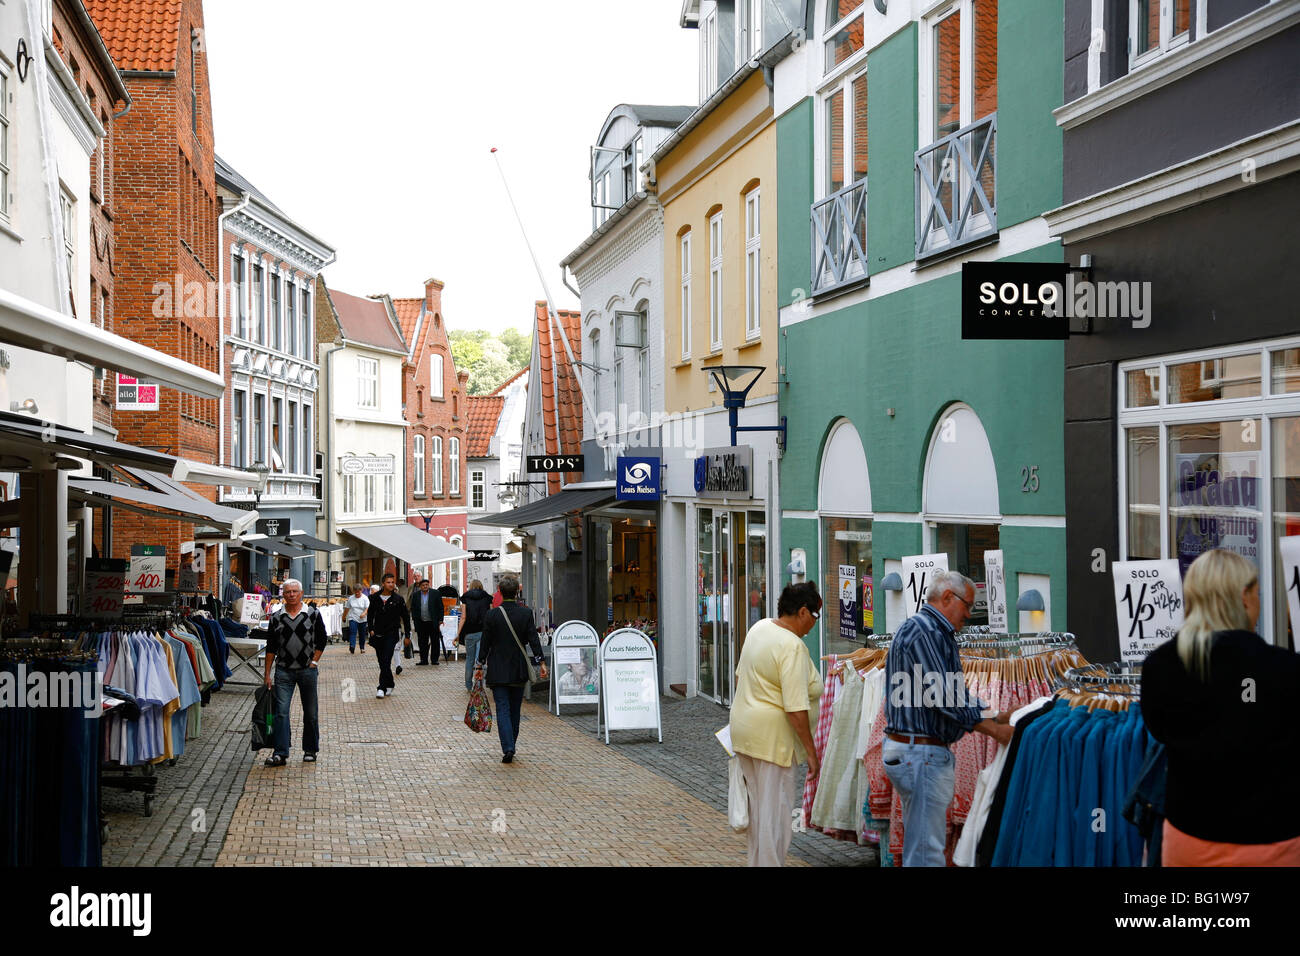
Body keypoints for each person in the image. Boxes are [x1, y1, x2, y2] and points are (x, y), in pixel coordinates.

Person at [1141, 549, 1300, 865]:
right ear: (1244, 597)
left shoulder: (1160, 666)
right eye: (1257, 593)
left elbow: (1160, 731)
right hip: (1271, 843)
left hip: (1189, 837)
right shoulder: (1285, 670)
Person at [882, 570, 1014, 866]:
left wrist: (993, 714)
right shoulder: (927, 631)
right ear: (946, 597)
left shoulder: (928, 630)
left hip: (915, 751)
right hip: (921, 753)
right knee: (927, 852)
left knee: (921, 845)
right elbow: (944, 697)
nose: (969, 614)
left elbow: (952, 693)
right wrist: (995, 731)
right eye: (967, 605)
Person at [729, 582, 824, 867]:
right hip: (774, 743)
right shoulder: (792, 646)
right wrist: (811, 751)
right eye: (816, 617)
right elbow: (795, 707)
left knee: (759, 815)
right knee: (776, 819)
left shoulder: (760, 628)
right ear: (803, 612)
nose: (814, 625)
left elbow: (740, 676)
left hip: (745, 732)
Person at [473, 574, 548, 763]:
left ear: (499, 591)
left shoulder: (492, 615)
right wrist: (541, 662)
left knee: (503, 709)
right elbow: (533, 639)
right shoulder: (525, 614)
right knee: (515, 709)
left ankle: (508, 747)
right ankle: (510, 745)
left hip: (498, 668)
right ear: (517, 592)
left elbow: (486, 643)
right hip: (518, 668)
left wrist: (479, 663)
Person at [261, 578, 327, 766]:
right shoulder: (276, 617)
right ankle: (281, 753)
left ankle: (310, 750)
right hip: (283, 671)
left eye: (294, 592)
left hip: (307, 670)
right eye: (288, 592)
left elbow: (322, 640)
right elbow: (271, 647)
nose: (291, 595)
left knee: (311, 712)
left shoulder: (313, 614)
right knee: (281, 712)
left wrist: (314, 661)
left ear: (301, 593)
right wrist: (267, 673)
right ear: (283, 594)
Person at [368, 572, 411, 698]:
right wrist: (371, 630)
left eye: (393, 582)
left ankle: (381, 687)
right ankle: (390, 683)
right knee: (382, 662)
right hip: (378, 634)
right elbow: (370, 615)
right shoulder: (374, 598)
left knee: (386, 660)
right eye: (388, 582)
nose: (391, 584)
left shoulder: (398, 599)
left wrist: (407, 635)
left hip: (392, 634)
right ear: (383, 584)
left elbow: (405, 618)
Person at [459, 579, 493, 690]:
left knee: (469, 659)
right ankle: (479, 684)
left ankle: (468, 685)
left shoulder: (465, 597)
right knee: (480, 659)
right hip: (483, 632)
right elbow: (491, 616)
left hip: (469, 632)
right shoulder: (487, 598)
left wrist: (457, 633)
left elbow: (463, 617)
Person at [411, 578, 445, 665]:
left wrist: (441, 619)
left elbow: (440, 607)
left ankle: (434, 660)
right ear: (420, 587)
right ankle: (424, 660)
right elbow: (413, 608)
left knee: (435, 641)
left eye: (426, 585)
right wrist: (415, 620)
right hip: (421, 622)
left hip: (433, 622)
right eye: (423, 585)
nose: (425, 586)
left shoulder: (435, 593)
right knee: (422, 642)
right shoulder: (415, 595)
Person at [437, 583, 461, 663]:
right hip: (449, 619)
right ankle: (448, 649)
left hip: (448, 618)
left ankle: (449, 649)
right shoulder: (453, 600)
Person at [344, 583, 370, 654]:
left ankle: (362, 647)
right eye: (355, 592)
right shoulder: (351, 598)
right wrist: (344, 617)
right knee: (353, 633)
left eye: (358, 592)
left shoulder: (365, 598)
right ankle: (352, 646)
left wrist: (364, 613)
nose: (357, 593)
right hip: (353, 618)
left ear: (361, 590)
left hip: (363, 619)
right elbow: (347, 608)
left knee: (362, 634)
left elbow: (367, 608)